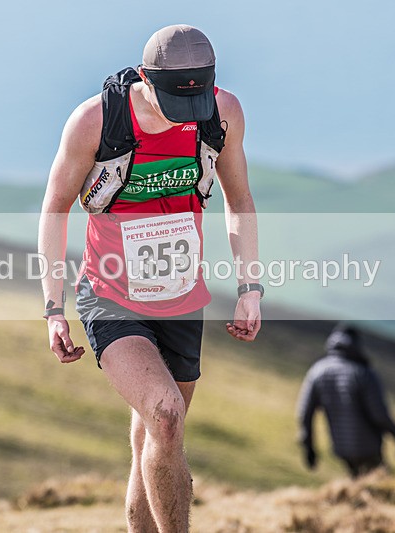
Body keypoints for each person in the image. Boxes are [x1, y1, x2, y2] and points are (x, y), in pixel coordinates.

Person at [38, 24, 262, 532]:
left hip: (182, 297)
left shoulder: (221, 113)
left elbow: (239, 199)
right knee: (165, 416)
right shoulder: (94, 121)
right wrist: (54, 307)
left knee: (156, 438)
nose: (188, 113)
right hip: (111, 294)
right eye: (174, 103)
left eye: (197, 99)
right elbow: (54, 209)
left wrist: (250, 288)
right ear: (145, 78)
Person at [296, 324, 395, 478]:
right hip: (368, 446)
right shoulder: (363, 373)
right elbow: (379, 414)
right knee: (379, 484)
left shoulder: (317, 371)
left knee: (357, 482)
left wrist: (308, 447)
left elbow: (305, 413)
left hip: (341, 448)